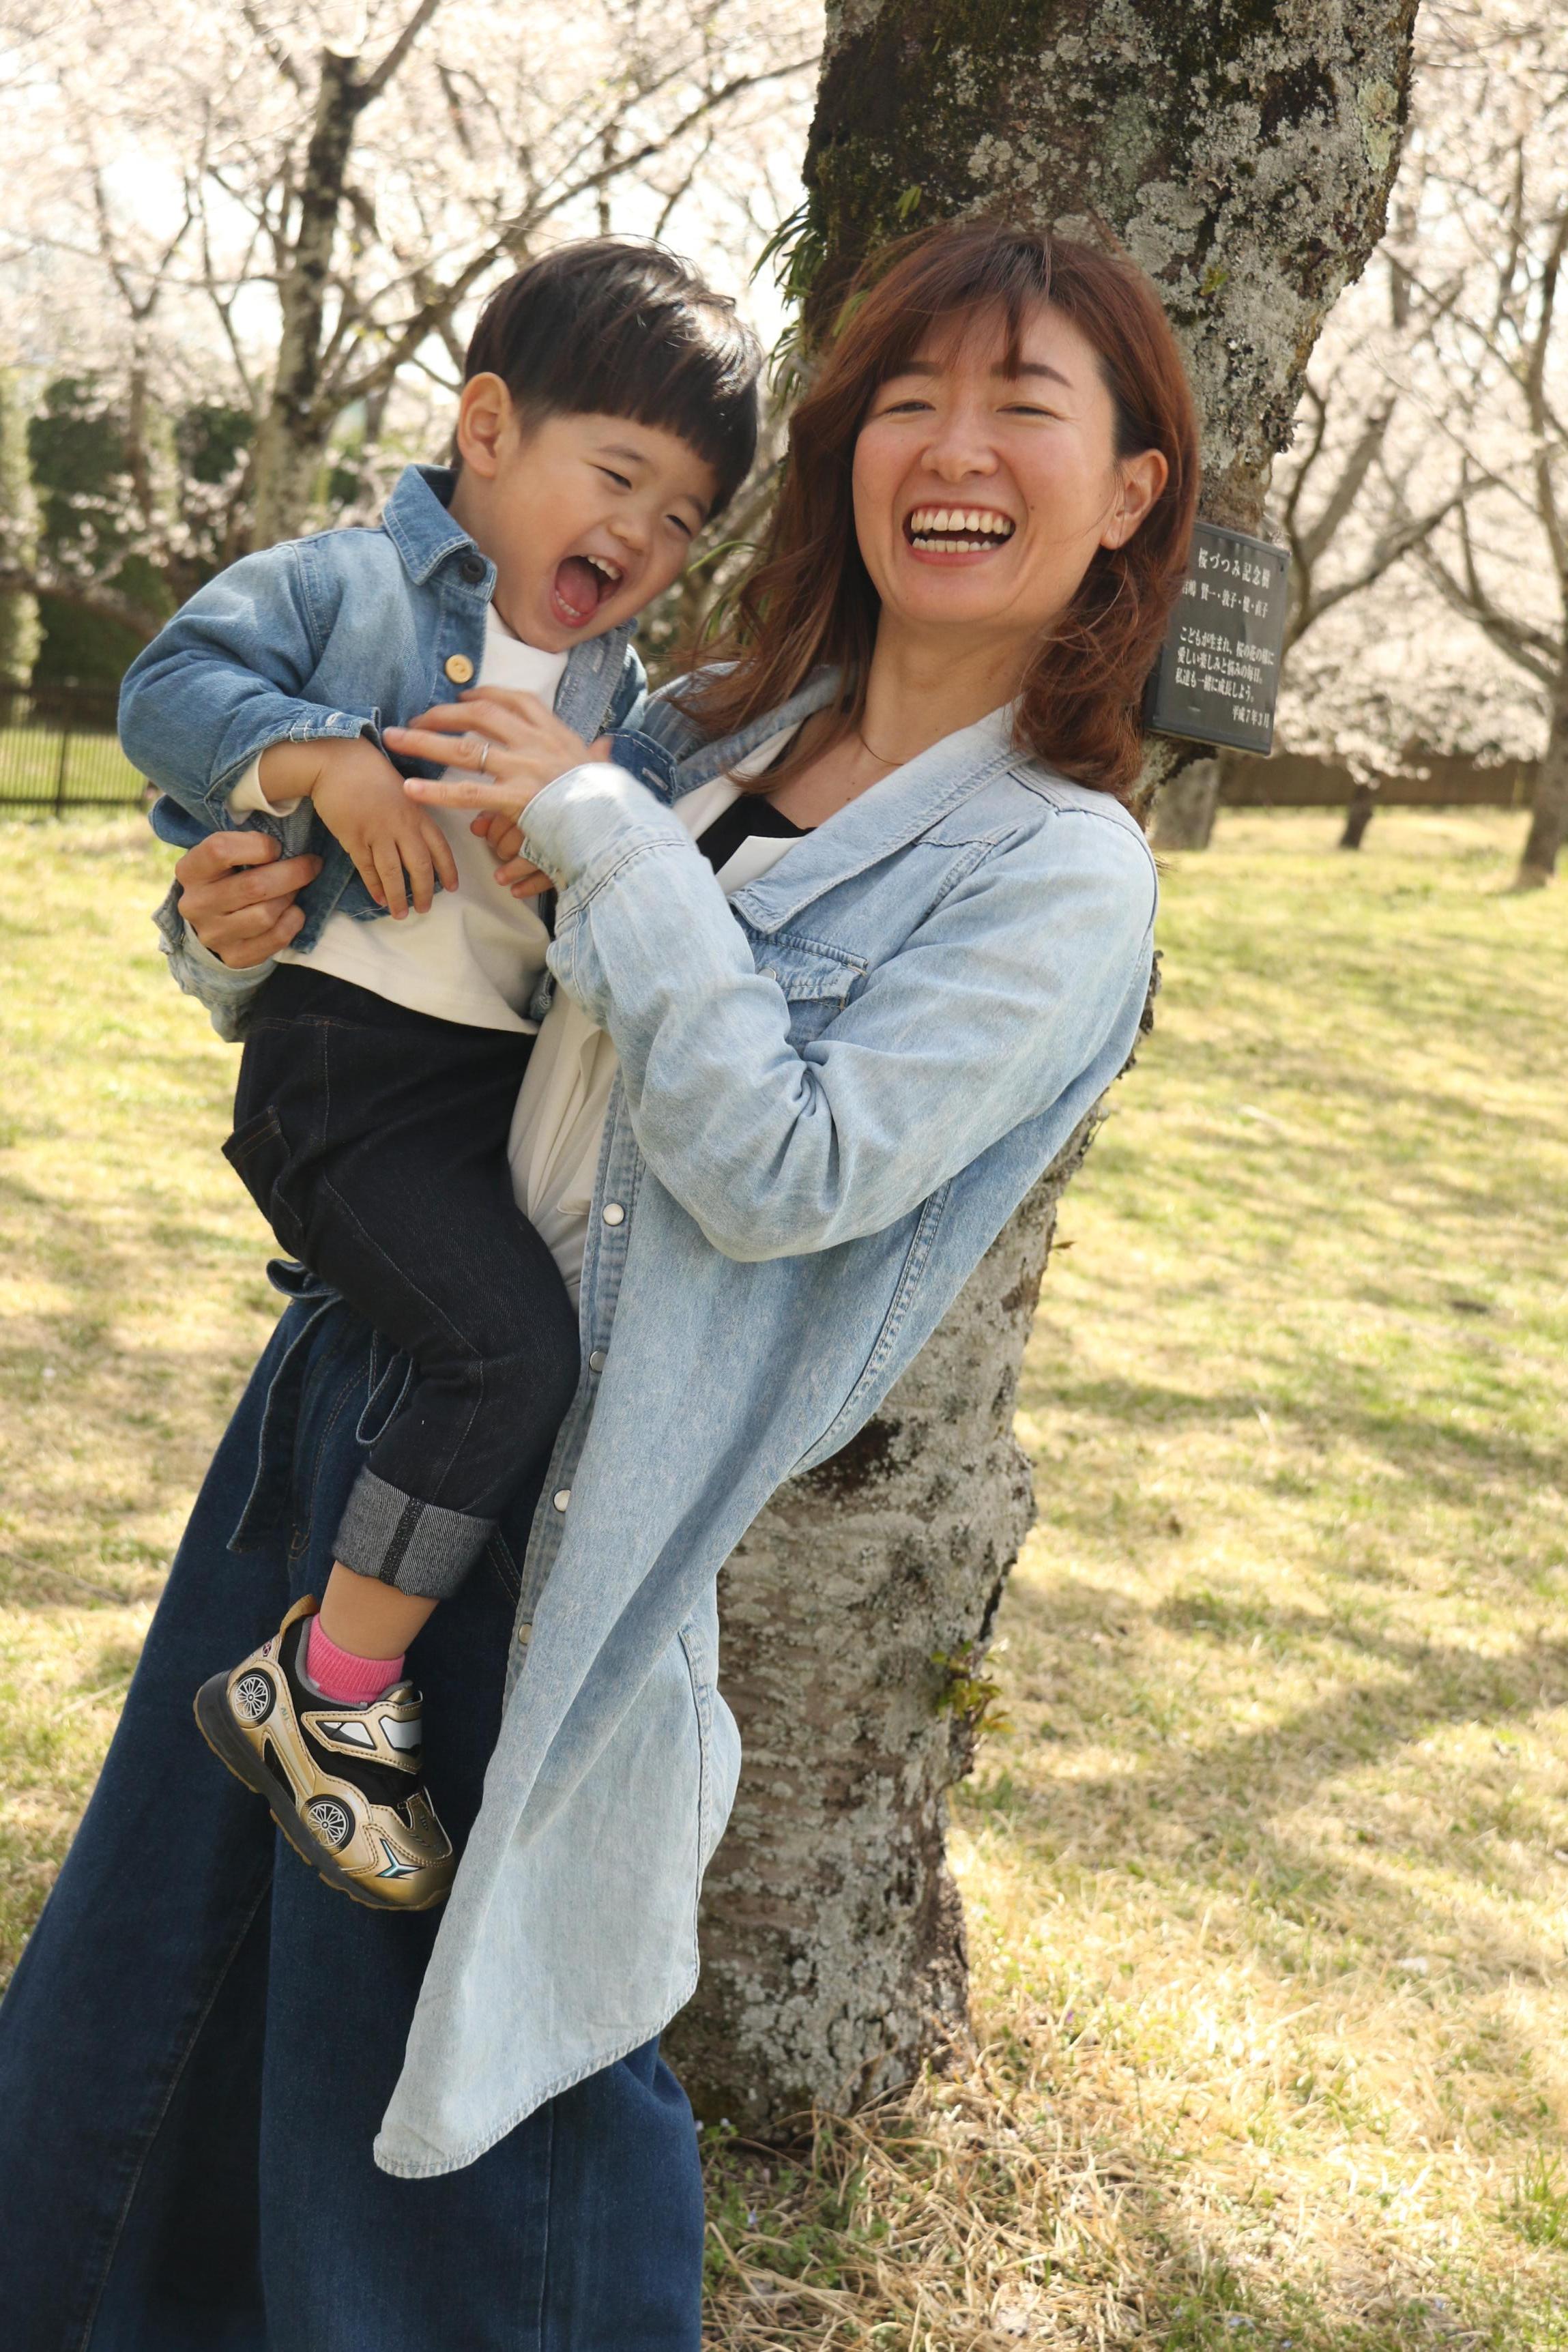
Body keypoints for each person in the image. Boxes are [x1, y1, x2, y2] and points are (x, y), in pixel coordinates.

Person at [0, 221, 1197, 2349]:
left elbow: (786, 1166)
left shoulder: (1053, 869)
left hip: (569, 1525)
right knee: (152, 2024)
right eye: (909, 399)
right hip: (353, 1397)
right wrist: (231, 923)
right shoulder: (722, 724)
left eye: (1027, 407)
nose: (953, 445)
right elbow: (456, 1006)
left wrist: (611, 843)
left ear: (1127, 493)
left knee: (488, 2143)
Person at [116, 240, 761, 1910]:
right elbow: (165, 687)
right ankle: (324, 1694)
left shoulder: (625, 705)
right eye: (616, 474)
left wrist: (574, 874)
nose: (641, 534)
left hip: (485, 1095)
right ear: (487, 427)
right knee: (502, 1349)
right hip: (346, 1077)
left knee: (521, 1341)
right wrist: (324, 764)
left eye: (686, 516)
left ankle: (350, 1674)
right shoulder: (351, 588)